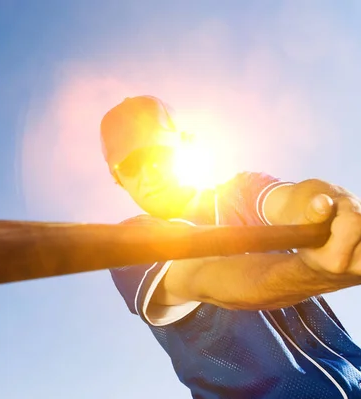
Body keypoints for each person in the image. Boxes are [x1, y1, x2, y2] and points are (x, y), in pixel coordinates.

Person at [100, 95, 361, 399]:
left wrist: (335, 208)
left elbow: (295, 200)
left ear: (185, 144)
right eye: (131, 165)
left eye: (159, 152)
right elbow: (213, 277)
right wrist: (316, 273)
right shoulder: (128, 245)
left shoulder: (242, 191)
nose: (150, 172)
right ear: (118, 178)